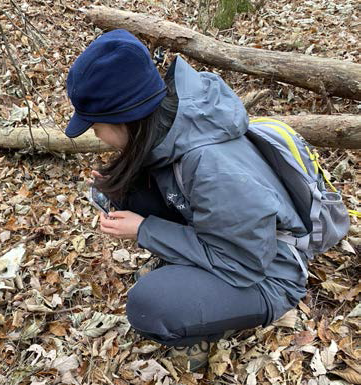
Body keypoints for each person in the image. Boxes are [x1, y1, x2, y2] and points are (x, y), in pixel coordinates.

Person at [64, 29, 308, 371]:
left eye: (95, 125)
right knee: (115, 190)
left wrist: (146, 230)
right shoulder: (169, 119)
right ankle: (186, 272)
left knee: (150, 306)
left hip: (269, 272)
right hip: (235, 239)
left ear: (124, 119)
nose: (95, 135)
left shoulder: (211, 167)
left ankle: (196, 332)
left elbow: (241, 263)